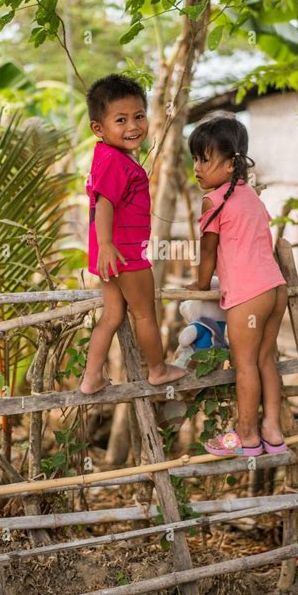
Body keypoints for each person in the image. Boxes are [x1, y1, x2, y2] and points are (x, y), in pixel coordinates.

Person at [187, 114, 288, 456]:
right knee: (266, 361)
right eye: (195, 159)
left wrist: (201, 284)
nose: (197, 167)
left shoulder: (214, 202)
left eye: (204, 158)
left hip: (248, 295)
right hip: (276, 289)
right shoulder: (251, 198)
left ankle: (246, 435)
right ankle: (272, 431)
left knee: (244, 365)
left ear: (231, 164)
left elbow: (209, 250)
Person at [80, 73, 188, 394]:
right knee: (145, 315)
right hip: (124, 253)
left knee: (112, 315)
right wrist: (108, 244)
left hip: (110, 255)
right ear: (98, 128)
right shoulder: (116, 162)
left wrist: (104, 249)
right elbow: (104, 205)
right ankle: (157, 369)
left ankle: (91, 378)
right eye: (121, 120)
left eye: (139, 116)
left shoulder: (108, 157)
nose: (133, 126)